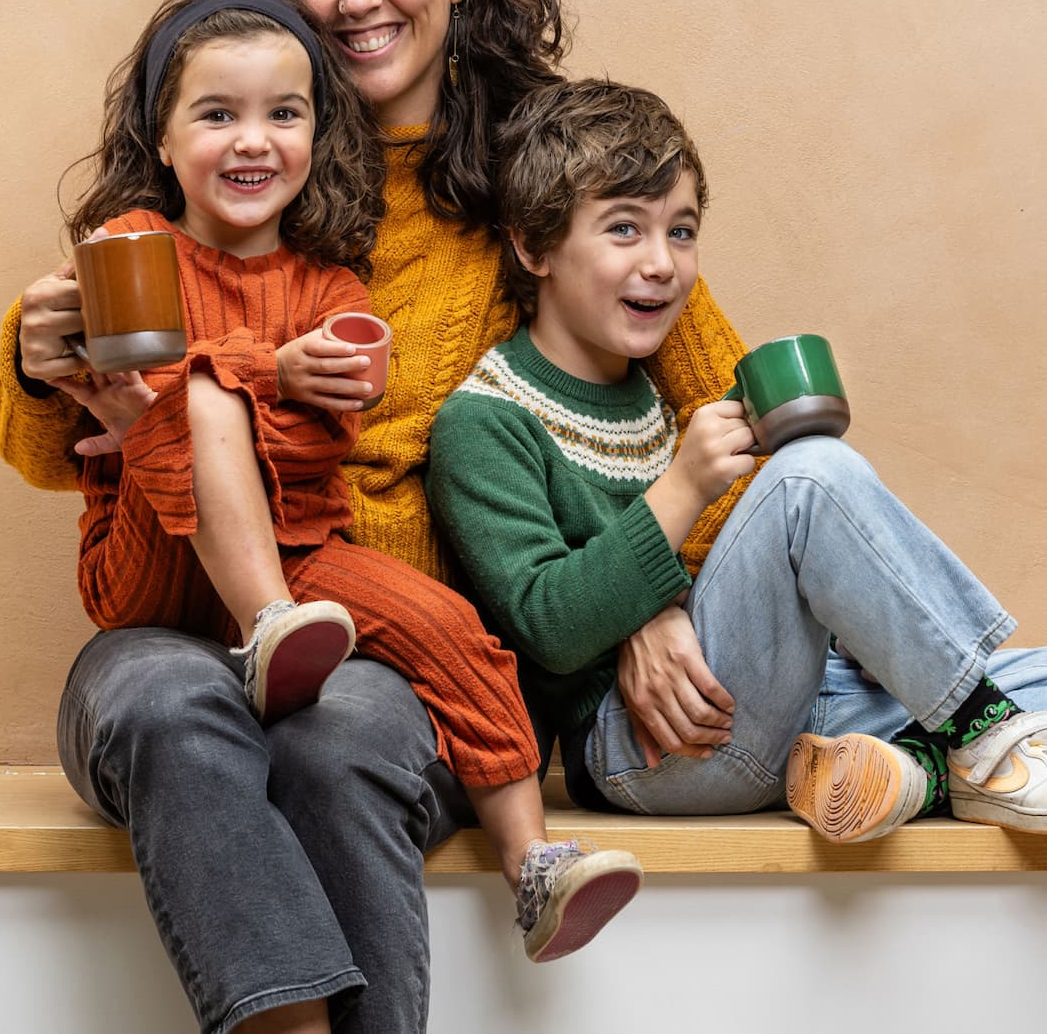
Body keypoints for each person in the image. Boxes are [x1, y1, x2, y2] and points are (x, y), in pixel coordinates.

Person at [0, 0, 674, 1033]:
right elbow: (69, 450)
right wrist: (36, 360)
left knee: (341, 726)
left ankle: (521, 865)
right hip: (162, 606)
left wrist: (652, 593)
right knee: (168, 698)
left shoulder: (539, 182)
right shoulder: (157, 226)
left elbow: (705, 390)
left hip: (365, 631)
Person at [425, 76, 1047, 841]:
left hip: (778, 704)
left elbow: (753, 598)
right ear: (533, 244)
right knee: (810, 471)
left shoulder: (651, 396)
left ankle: (919, 770)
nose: (662, 262)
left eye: (681, 231)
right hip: (649, 747)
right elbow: (547, 626)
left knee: (1025, 676)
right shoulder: (483, 421)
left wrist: (862, 629)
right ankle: (983, 741)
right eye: (624, 229)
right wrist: (684, 485)